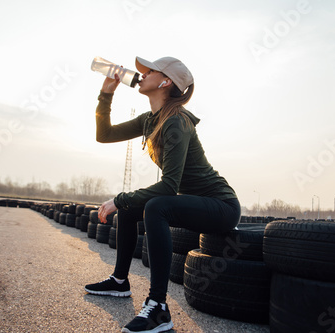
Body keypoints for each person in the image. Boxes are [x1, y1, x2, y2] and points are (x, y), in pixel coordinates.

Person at [84, 56, 241, 333]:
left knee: (155, 206)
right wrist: (106, 94)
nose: (141, 74)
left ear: (166, 81)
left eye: (150, 71)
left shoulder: (177, 122)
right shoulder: (150, 120)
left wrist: (118, 199)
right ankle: (120, 281)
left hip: (222, 206)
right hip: (197, 203)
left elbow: (169, 186)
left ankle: (158, 307)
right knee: (134, 207)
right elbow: (104, 135)